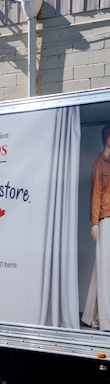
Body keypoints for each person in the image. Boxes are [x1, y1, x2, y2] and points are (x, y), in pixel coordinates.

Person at [83, 125, 110, 331]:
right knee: (104, 270)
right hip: (104, 220)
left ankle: (92, 317)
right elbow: (96, 194)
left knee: (101, 269)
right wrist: (94, 223)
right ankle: (105, 320)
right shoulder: (99, 164)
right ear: (106, 139)